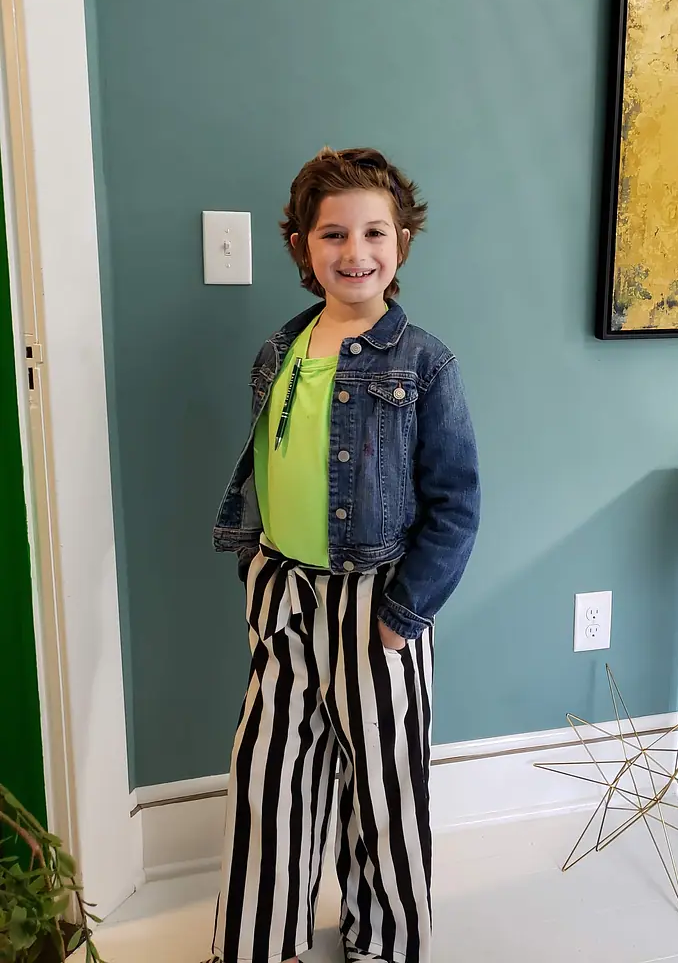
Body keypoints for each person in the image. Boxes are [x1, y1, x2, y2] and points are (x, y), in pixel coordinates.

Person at [208, 146, 480, 963]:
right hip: (287, 597)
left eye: (373, 233)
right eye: (333, 235)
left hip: (380, 602)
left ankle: (385, 942)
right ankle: (259, 943)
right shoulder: (279, 351)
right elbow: (270, 465)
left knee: (385, 791)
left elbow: (457, 504)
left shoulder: (423, 362)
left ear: (401, 243)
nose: (354, 252)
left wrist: (403, 617)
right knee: (270, 778)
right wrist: (257, 564)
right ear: (302, 246)